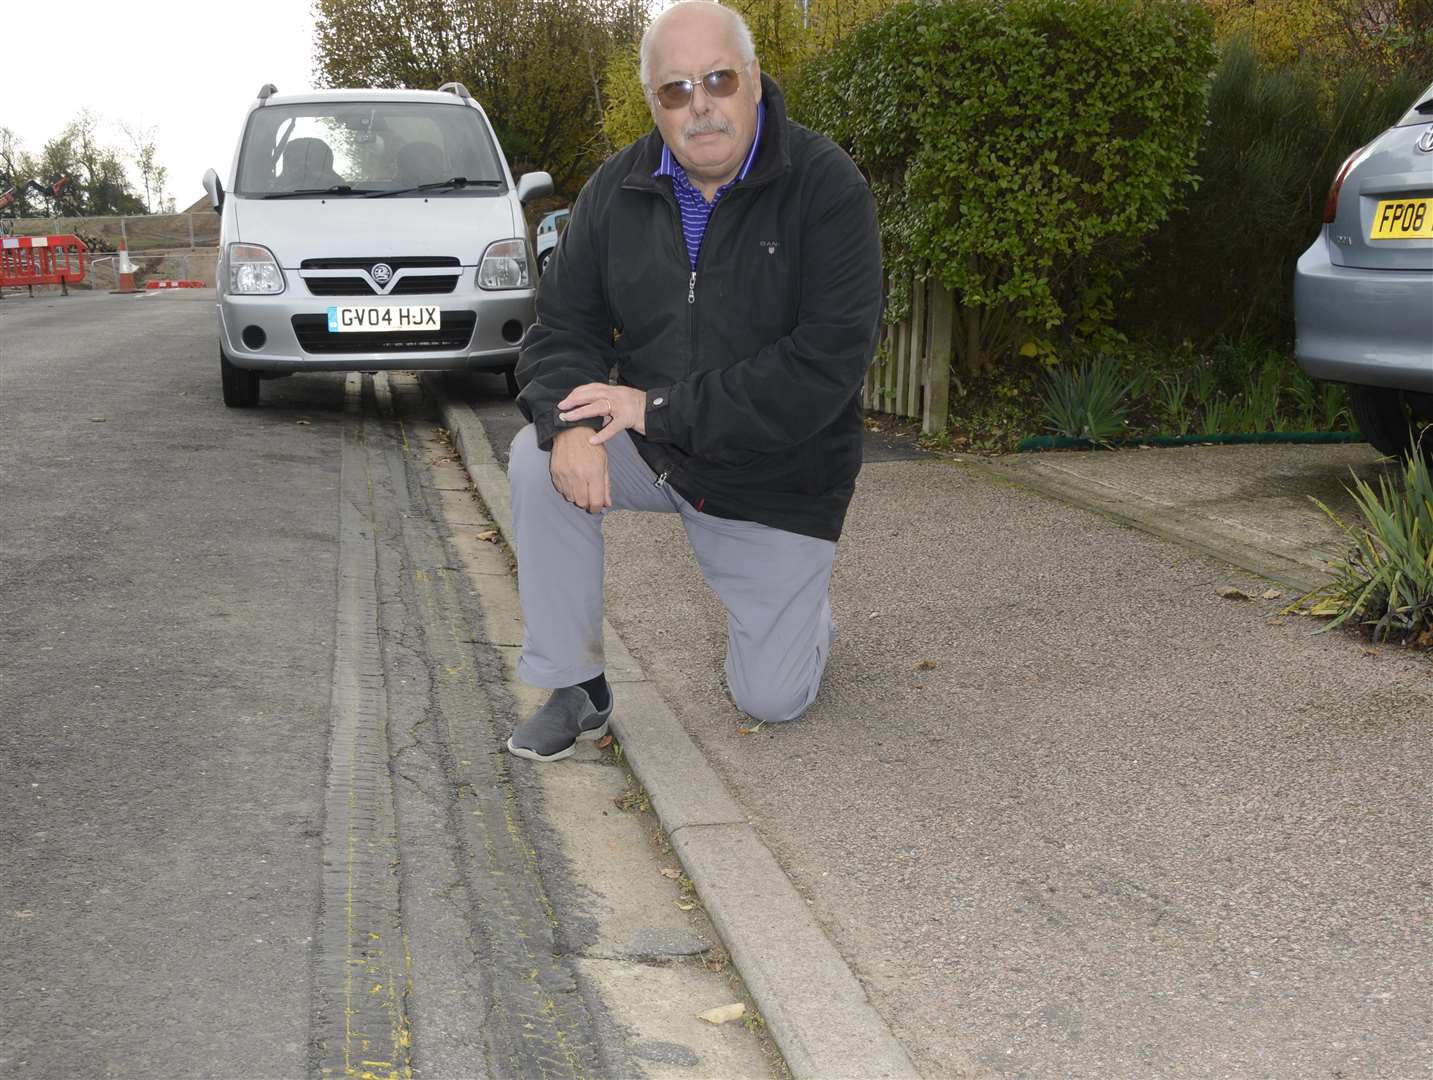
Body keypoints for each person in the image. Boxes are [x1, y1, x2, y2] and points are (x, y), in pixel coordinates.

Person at [505, 0, 883, 762]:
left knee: (770, 700)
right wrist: (569, 425)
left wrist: (656, 406)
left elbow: (825, 363)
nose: (699, 104)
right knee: (534, 458)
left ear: (751, 81)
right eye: (675, 90)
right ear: (655, 103)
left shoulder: (824, 186)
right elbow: (562, 326)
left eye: (717, 79)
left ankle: (802, 619)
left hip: (775, 474)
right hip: (653, 447)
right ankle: (577, 686)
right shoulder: (619, 188)